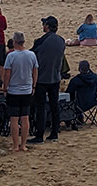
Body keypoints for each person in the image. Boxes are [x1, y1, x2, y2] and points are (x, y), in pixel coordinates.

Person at [31, 15, 66, 144]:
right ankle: (54, 132)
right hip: (55, 77)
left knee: (40, 107)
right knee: (54, 105)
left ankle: (39, 134)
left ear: (47, 26)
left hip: (42, 78)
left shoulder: (41, 41)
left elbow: (32, 55)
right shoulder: (61, 41)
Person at [3, 31, 38, 151]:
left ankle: (15, 145)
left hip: (14, 90)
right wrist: (33, 85)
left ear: (14, 42)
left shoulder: (11, 56)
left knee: (14, 118)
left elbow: (7, 74)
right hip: (27, 89)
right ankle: (23, 144)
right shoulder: (31, 54)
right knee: (25, 117)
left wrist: (5, 87)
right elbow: (35, 71)